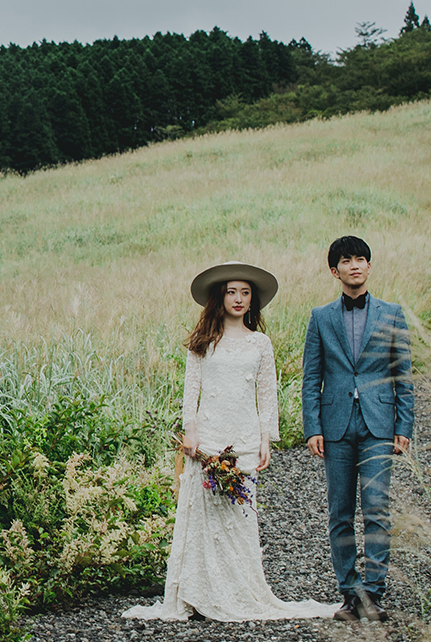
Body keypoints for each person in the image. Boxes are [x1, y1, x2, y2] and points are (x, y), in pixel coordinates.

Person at [124, 261, 337, 621]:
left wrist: (267, 437)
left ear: (252, 300)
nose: (238, 299)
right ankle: (197, 593)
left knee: (239, 517)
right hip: (207, 438)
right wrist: (189, 431)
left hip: (244, 438)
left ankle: (236, 591)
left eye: (245, 292)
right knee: (201, 516)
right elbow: (191, 390)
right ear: (219, 297)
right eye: (231, 292)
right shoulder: (204, 340)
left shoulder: (260, 343)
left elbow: (267, 394)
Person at [302, 236, 413, 622]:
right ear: (335, 271)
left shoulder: (392, 313)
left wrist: (404, 424)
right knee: (340, 512)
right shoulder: (320, 316)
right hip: (335, 427)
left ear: (369, 266)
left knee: (378, 509)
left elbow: (403, 375)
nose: (355, 266)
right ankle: (349, 594)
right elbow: (311, 376)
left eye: (361, 259)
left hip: (378, 424)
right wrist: (312, 426)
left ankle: (375, 594)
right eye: (346, 261)